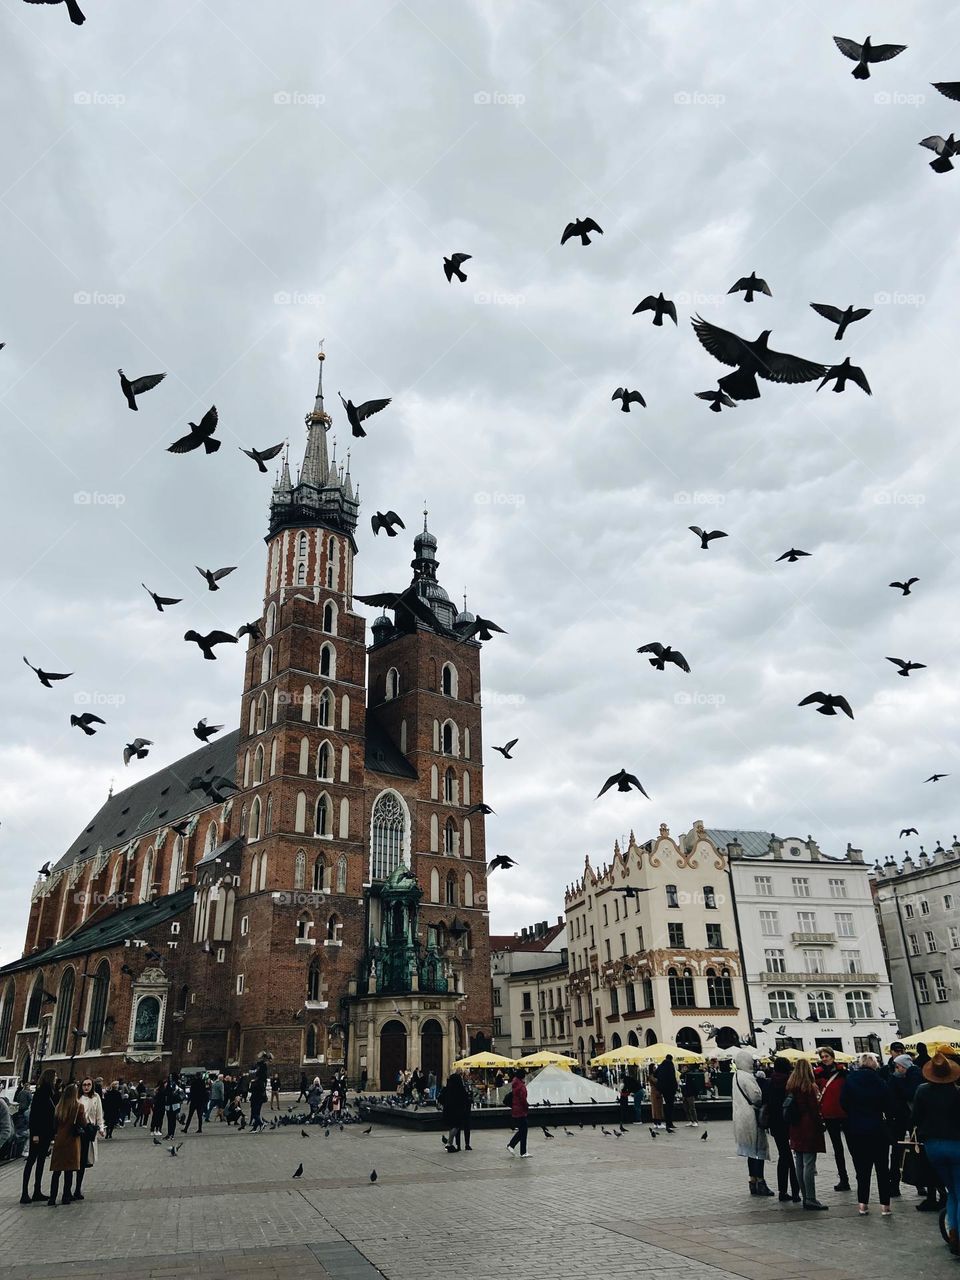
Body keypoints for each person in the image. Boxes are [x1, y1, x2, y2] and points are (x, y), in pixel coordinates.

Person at [912, 1051, 960, 1256]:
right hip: (957, 1145)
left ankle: (954, 1234)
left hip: (933, 1146)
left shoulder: (922, 1091)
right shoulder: (958, 1092)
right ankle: (957, 1236)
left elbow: (914, 1118)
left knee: (951, 1190)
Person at [840, 1052, 893, 1215]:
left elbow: (843, 1102)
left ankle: (863, 1204)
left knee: (862, 1169)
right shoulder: (880, 1081)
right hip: (877, 1128)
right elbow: (888, 1104)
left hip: (856, 1128)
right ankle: (885, 1205)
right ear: (874, 1064)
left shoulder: (850, 1080)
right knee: (882, 1168)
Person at [785, 1058, 828, 1211]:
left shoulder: (791, 1086)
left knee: (799, 1162)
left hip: (795, 1126)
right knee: (809, 1163)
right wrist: (821, 1125)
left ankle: (804, 1196)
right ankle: (810, 1198)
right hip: (809, 1126)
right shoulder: (809, 1087)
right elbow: (815, 1110)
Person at [732, 1049, 772, 1196]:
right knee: (758, 1150)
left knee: (750, 1152)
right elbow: (756, 1097)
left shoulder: (736, 1076)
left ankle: (752, 1181)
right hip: (751, 1116)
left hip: (740, 1116)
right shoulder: (747, 1077)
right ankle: (761, 1181)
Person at [764, 1056, 800, 1202]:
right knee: (794, 1158)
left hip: (775, 1125)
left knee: (783, 1156)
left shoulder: (770, 1082)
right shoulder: (790, 1082)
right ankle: (796, 1192)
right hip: (789, 1123)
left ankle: (782, 1191)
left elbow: (766, 1102)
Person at [815, 1048, 851, 1192]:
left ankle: (859, 1176)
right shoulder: (818, 1074)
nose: (824, 1059)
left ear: (832, 1057)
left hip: (845, 1113)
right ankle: (844, 1178)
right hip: (829, 1115)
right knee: (837, 1149)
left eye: (827, 1056)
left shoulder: (843, 1072)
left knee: (853, 1147)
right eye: (822, 1056)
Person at [888, 1052, 923, 1198]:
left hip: (906, 1118)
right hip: (906, 1117)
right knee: (913, 1150)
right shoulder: (908, 1076)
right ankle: (919, 1185)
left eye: (898, 1066)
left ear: (904, 1066)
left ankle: (899, 1185)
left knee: (904, 1150)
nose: (897, 1069)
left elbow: (909, 1093)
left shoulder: (913, 1076)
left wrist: (897, 1082)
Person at [21, 1069, 57, 1204]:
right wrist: (35, 1134)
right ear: (49, 1078)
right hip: (39, 1134)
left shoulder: (48, 1093)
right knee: (31, 1161)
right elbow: (34, 1115)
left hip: (45, 1134)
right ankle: (24, 1192)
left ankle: (37, 1191)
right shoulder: (41, 1093)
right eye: (54, 1077)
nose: (56, 1079)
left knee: (41, 1162)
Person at [47, 1082, 85, 1207]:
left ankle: (52, 1198)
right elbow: (82, 1123)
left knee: (56, 1172)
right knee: (69, 1171)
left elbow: (54, 1125)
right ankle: (65, 1196)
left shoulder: (59, 1107)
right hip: (72, 1142)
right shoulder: (78, 1106)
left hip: (59, 1141)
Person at [74, 1077, 104, 1202]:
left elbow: (99, 1114)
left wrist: (101, 1127)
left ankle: (77, 1188)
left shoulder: (96, 1097)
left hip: (88, 1131)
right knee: (74, 1160)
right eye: (84, 1085)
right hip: (77, 1131)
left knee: (83, 1162)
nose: (86, 1087)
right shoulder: (77, 1097)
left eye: (89, 1085)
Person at [442, 1069, 472, 1151]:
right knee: (456, 1126)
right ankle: (449, 1144)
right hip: (457, 1111)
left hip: (448, 1110)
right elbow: (465, 1098)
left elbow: (441, 1098)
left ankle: (452, 1144)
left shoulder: (448, 1087)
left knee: (452, 1126)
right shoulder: (459, 1087)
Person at [506, 1068, 530, 1157]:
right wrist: (526, 1107)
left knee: (522, 1130)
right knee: (523, 1130)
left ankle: (519, 1149)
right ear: (522, 1076)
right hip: (520, 1110)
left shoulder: (515, 1084)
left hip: (516, 1110)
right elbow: (523, 1099)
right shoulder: (521, 1086)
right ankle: (515, 1147)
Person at [655, 1054, 678, 1133]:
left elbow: (655, 1074)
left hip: (662, 1089)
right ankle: (669, 1123)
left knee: (666, 1105)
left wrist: (661, 1081)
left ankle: (667, 1122)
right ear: (671, 1059)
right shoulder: (670, 1065)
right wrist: (675, 1087)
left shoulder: (661, 1065)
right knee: (670, 1105)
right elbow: (672, 1077)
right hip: (670, 1089)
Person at [647, 1065, 663, 1129]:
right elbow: (656, 1081)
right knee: (657, 1107)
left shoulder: (652, 1075)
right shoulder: (652, 1076)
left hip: (655, 1092)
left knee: (655, 1107)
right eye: (654, 1068)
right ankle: (658, 1122)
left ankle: (656, 1122)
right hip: (656, 1092)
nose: (655, 1069)